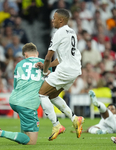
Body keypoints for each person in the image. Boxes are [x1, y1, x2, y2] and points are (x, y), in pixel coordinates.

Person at [0, 43, 59, 145]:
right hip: (28, 103)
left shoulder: (19, 64)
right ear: (37, 53)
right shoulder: (44, 63)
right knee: (31, 141)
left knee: (25, 133)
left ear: (25, 55)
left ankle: (19, 138)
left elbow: (15, 85)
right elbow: (47, 85)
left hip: (14, 100)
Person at [35, 9, 84, 139]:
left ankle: (57, 125)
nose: (52, 20)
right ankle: (74, 118)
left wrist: (45, 71)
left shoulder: (58, 33)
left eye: (54, 18)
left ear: (61, 20)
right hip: (74, 69)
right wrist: (48, 67)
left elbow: (47, 57)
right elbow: (59, 59)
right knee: (52, 95)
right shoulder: (72, 32)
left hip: (66, 70)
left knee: (42, 94)